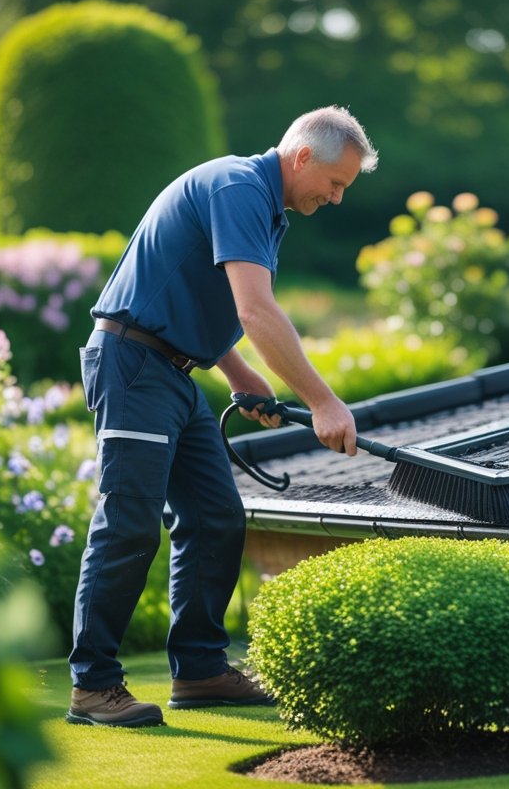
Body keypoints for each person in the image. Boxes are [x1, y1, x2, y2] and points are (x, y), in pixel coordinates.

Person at [66, 106, 378, 727]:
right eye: (335, 183)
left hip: (172, 372)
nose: (337, 198)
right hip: (134, 366)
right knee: (129, 523)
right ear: (303, 157)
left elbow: (201, 293)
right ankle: (93, 686)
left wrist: (236, 372)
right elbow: (256, 310)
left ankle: (201, 670)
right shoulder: (239, 187)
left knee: (215, 516)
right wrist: (323, 400)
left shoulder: (261, 201)